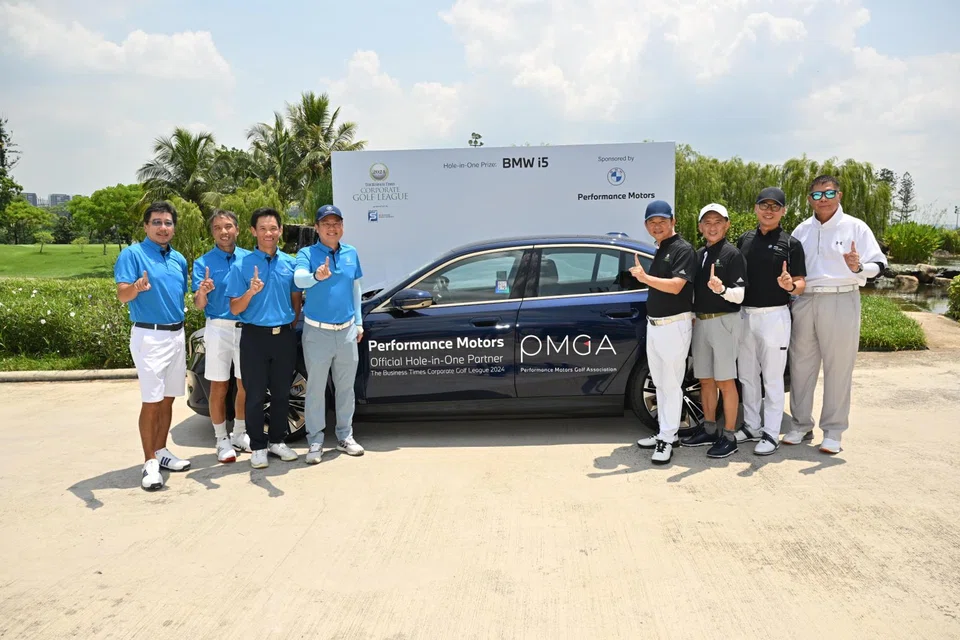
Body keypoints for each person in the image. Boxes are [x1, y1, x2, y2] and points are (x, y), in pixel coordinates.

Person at [786, 175, 886, 454]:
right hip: (805, 301)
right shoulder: (801, 230)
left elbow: (879, 264)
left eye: (829, 193)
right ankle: (800, 424)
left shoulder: (855, 227)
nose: (823, 199)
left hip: (841, 298)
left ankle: (833, 431)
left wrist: (858, 267)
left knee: (838, 368)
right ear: (809, 199)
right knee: (801, 366)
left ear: (839, 195)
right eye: (817, 195)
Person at [114, 201, 191, 491]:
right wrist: (137, 288)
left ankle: (161, 451)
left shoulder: (179, 259)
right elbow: (123, 295)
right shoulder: (132, 254)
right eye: (156, 222)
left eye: (168, 222)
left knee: (169, 397)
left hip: (175, 335)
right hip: (150, 336)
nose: (163, 227)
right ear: (146, 226)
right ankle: (149, 463)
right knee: (152, 400)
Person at [224, 207, 303, 469]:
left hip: (283, 336)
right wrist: (250, 292)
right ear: (253, 232)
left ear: (280, 230)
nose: (268, 233)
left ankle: (277, 441)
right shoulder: (241, 265)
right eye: (263, 229)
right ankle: (258, 445)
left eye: (273, 228)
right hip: (254, 337)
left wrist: (289, 323)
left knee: (282, 392)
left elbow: (295, 300)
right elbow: (235, 307)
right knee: (255, 394)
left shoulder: (290, 263)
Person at [733, 187, 806, 455]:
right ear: (755, 208)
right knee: (747, 376)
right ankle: (751, 425)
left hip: (775, 316)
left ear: (783, 211)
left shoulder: (791, 244)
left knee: (772, 379)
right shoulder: (744, 239)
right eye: (764, 205)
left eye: (775, 206)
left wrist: (790, 285)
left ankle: (771, 433)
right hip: (745, 315)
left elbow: (800, 284)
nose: (769, 210)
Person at [294, 204, 366, 464]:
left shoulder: (351, 253)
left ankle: (345, 435)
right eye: (326, 223)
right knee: (315, 389)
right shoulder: (307, 253)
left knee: (346, 389)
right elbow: (300, 279)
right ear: (317, 228)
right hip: (317, 332)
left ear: (342, 226)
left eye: (336, 223)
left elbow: (355, 288)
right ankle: (315, 441)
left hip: (347, 331)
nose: (332, 227)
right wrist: (316, 275)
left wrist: (358, 322)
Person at [631, 200, 697, 465]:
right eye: (651, 222)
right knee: (659, 383)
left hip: (673, 326)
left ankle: (668, 439)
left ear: (673, 221)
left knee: (671, 384)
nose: (656, 226)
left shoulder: (682, 249)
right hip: (656, 325)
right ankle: (664, 431)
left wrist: (645, 278)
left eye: (661, 221)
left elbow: (676, 286)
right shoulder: (661, 249)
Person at [679, 204, 748, 458]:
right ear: (700, 227)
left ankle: (729, 436)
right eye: (707, 222)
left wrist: (721, 290)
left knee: (725, 381)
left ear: (727, 224)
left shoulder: (732, 255)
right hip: (702, 323)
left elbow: (739, 295)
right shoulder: (699, 255)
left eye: (717, 221)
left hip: (724, 321)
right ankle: (709, 429)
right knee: (706, 380)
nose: (712, 226)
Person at [191, 209, 252, 463]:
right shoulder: (203, 263)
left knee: (244, 384)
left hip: (246, 327)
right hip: (217, 327)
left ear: (237, 229)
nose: (223, 231)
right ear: (213, 232)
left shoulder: (250, 258)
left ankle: (239, 432)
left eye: (228, 226)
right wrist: (203, 291)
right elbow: (197, 303)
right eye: (217, 228)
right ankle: (221, 439)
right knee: (219, 385)